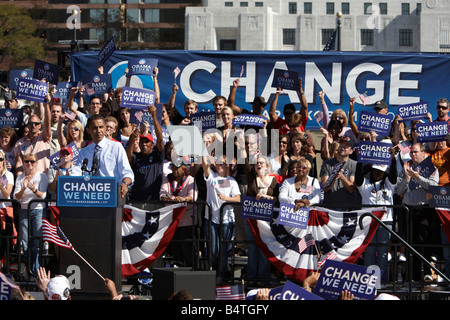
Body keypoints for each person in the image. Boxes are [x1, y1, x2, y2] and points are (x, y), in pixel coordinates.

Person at [396, 142, 440, 281]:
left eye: (415, 152)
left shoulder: (431, 168)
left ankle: (426, 272)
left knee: (423, 241)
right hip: (408, 210)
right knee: (409, 243)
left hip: (424, 210)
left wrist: (417, 178)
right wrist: (407, 179)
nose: (413, 154)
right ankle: (412, 276)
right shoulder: (406, 168)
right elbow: (398, 191)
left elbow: (433, 186)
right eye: (411, 152)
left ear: (423, 153)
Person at [356, 148, 398, 282]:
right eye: (374, 170)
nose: (376, 173)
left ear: (384, 171)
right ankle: (368, 281)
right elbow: (358, 178)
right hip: (369, 223)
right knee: (369, 252)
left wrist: (392, 158)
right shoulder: (365, 185)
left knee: (383, 253)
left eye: (379, 171)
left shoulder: (389, 185)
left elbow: (393, 176)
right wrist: (359, 160)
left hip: (385, 222)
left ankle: (382, 280)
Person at [72, 114, 134, 199]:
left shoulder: (116, 147)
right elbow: (76, 173)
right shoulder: (84, 152)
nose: (98, 131)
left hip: (111, 196)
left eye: (101, 127)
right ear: (88, 130)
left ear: (105, 128)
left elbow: (127, 173)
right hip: (89, 197)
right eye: (94, 128)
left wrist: (125, 184)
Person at [202, 154, 241, 280]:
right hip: (212, 219)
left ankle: (222, 275)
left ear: (227, 165)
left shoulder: (232, 181)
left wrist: (225, 198)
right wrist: (204, 154)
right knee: (213, 250)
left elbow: (238, 198)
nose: (219, 165)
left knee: (224, 250)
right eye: (218, 163)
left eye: (222, 163)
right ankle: (214, 271)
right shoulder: (211, 177)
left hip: (226, 220)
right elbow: (204, 166)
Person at [244, 155, 279, 286]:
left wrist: (265, 197)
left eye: (262, 163)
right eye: (256, 163)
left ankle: (263, 278)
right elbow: (245, 164)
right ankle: (251, 277)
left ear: (267, 166)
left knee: (264, 247)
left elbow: (277, 198)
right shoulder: (252, 178)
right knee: (252, 248)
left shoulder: (273, 180)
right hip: (252, 219)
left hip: (266, 219)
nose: (258, 165)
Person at [13, 153, 48, 277]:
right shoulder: (20, 177)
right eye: (27, 161)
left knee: (37, 242)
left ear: (36, 163)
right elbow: (16, 197)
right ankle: (27, 271)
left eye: (32, 161)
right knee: (25, 241)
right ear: (23, 163)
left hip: (38, 211)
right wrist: (23, 188)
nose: (29, 164)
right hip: (24, 210)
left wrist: (33, 189)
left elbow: (43, 195)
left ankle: (36, 271)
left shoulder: (41, 176)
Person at [160, 159, 198, 267]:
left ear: (184, 168)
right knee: (176, 246)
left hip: (187, 219)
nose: (174, 170)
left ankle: (193, 269)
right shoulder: (167, 179)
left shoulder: (190, 180)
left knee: (187, 246)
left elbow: (193, 196)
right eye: (173, 167)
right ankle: (178, 266)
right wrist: (169, 198)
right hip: (173, 219)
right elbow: (162, 194)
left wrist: (183, 199)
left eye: (177, 168)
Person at [127, 105, 164, 205]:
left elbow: (160, 139)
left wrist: (154, 117)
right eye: (142, 142)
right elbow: (128, 158)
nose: (144, 144)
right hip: (136, 201)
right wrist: (131, 142)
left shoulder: (157, 156)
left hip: (153, 201)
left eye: (147, 142)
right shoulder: (136, 157)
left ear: (152, 145)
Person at [320, 137, 359, 210]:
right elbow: (324, 188)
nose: (342, 148)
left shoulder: (354, 165)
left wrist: (342, 177)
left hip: (347, 207)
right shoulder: (327, 164)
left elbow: (351, 189)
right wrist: (333, 177)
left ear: (351, 151)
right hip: (330, 206)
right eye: (341, 145)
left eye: (346, 146)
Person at [14, 106, 51, 176]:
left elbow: (48, 123)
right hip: (26, 177)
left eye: (36, 124)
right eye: (31, 123)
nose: (33, 125)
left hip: (42, 176)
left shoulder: (44, 137)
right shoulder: (19, 143)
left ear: (40, 125)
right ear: (27, 125)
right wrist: (19, 178)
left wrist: (47, 105)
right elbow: (19, 162)